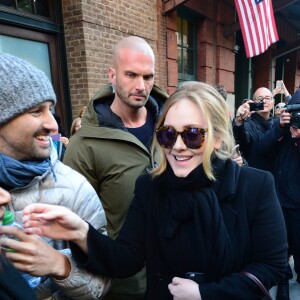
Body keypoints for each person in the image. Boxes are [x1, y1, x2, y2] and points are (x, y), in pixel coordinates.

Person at [24, 82, 288, 300]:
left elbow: (272, 266)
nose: (178, 146)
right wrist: (80, 232)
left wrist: (205, 294)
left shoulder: (254, 186)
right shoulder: (151, 187)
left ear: (217, 138)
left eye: (193, 134)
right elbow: (127, 258)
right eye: (168, 134)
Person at [63, 36, 168, 300]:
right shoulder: (84, 144)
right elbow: (77, 226)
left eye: (148, 77)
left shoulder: (173, 125)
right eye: (131, 75)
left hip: (176, 276)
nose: (140, 86)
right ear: (112, 74)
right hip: (123, 285)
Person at [0, 53, 110, 299]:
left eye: (50, 109)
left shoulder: (73, 187)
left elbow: (101, 286)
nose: (53, 125)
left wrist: (60, 266)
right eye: (36, 111)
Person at [272, 89, 300, 300]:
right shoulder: (280, 127)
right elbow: (262, 147)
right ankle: (282, 284)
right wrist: (280, 128)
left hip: (297, 201)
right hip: (279, 198)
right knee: (280, 246)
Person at [233, 87, 283, 171]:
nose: (264, 101)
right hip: (256, 174)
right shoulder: (248, 123)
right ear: (253, 103)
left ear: (273, 102)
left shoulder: (278, 122)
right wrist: (238, 122)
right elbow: (242, 139)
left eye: (267, 98)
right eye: (260, 99)